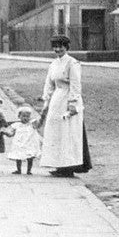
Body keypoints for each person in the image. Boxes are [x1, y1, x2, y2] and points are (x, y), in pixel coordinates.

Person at [39, 35, 92, 177]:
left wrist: (73, 103)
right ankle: (58, 165)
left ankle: (68, 167)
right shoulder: (53, 64)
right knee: (56, 132)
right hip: (57, 99)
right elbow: (49, 83)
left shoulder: (72, 63)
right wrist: (46, 99)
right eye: (55, 46)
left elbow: (75, 84)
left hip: (68, 99)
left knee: (68, 133)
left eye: (61, 46)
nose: (58, 49)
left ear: (66, 47)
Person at [3, 106, 42, 175]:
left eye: (28, 116)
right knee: (18, 156)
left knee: (30, 157)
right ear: (19, 116)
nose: (25, 118)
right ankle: (18, 170)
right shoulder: (16, 124)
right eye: (23, 116)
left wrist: (35, 120)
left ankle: (29, 170)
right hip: (19, 143)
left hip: (29, 143)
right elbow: (11, 133)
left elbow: (37, 126)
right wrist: (6, 133)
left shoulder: (31, 124)